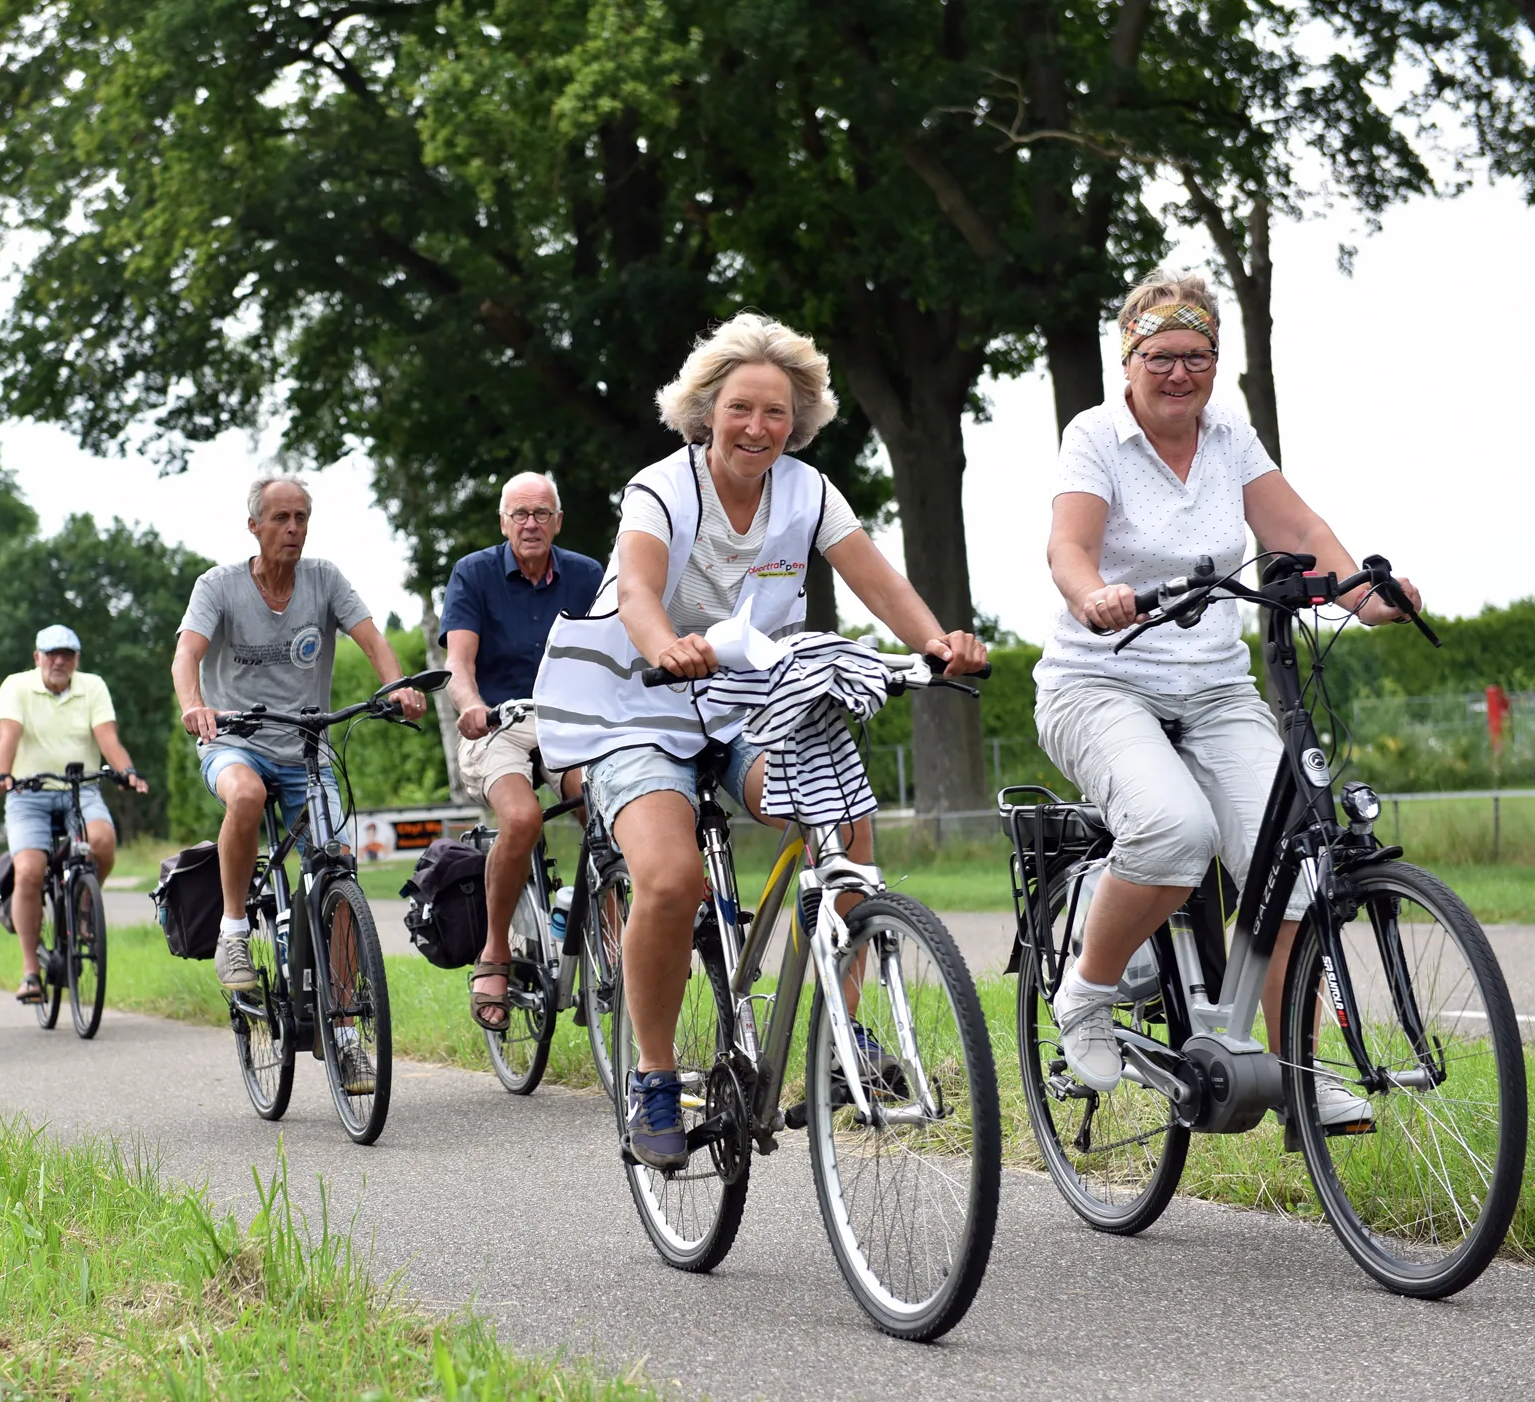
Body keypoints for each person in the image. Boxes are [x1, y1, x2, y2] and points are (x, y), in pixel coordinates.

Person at [534, 313, 986, 1169]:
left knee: (843, 817)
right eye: (742, 408)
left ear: (798, 421)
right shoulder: (660, 488)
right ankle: (657, 1081)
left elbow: (876, 578)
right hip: (640, 700)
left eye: (777, 413)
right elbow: (635, 583)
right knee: (671, 881)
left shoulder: (809, 492)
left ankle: (844, 1030)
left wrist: (935, 642)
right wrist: (664, 640)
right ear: (707, 411)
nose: (758, 428)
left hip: (748, 703)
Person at [1035, 270, 1418, 1129]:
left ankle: (1296, 1071)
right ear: (1127, 360)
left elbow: (1303, 536)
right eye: (1162, 356)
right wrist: (1092, 592)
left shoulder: (1230, 439)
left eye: (1198, 356)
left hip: (1213, 689)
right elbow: (1069, 545)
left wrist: (1364, 593)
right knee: (1176, 830)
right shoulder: (1096, 436)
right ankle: (1087, 995)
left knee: (1295, 866)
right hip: (1100, 681)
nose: (1181, 373)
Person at [173, 473, 426, 1093]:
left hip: (308, 746)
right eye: (281, 518)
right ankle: (234, 932)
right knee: (247, 795)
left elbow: (373, 640)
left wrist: (395, 689)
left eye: (302, 517)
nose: (293, 528)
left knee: (336, 867)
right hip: (234, 740)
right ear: (254, 525)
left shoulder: (326, 579)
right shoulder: (219, 586)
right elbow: (187, 654)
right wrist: (194, 704)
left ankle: (343, 1038)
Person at [440, 471, 604, 1031]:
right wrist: (469, 704)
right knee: (522, 817)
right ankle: (494, 952)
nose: (530, 524)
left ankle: (610, 933)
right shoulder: (474, 573)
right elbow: (458, 664)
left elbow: (613, 650)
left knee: (605, 809)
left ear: (558, 521)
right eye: (520, 514)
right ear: (503, 522)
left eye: (541, 513)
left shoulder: (587, 575)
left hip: (568, 723)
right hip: (499, 725)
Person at [0, 624, 147, 1004]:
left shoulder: (92, 686)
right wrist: (2, 776)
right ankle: (31, 971)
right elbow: (7, 737)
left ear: (77, 659)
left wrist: (127, 772)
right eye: (51, 654)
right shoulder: (16, 686)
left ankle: (82, 910)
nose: (59, 661)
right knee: (28, 870)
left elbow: (107, 738)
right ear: (37, 658)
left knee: (103, 841)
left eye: (67, 654)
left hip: (81, 790)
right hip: (28, 793)